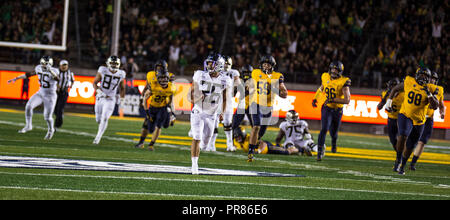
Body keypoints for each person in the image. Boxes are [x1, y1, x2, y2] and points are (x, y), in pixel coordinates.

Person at [385, 67, 439, 175]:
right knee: (403, 135)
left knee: (410, 146)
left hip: (419, 120)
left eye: (426, 76)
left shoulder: (431, 88)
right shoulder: (409, 81)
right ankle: (398, 159)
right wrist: (388, 102)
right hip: (405, 114)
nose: (423, 78)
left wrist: (429, 95)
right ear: (417, 75)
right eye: (421, 75)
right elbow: (395, 88)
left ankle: (403, 166)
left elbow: (435, 106)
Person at [189, 53, 232, 174]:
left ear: (219, 65)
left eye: (211, 63)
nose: (208, 65)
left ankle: (199, 149)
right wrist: (197, 98)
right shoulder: (199, 75)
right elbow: (190, 95)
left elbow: (224, 98)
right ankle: (194, 165)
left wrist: (222, 112)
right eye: (207, 63)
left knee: (205, 144)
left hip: (212, 114)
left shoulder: (225, 80)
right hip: (198, 111)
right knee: (196, 137)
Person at [247, 55, 288, 162]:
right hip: (256, 104)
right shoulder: (256, 72)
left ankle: (254, 143)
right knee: (256, 126)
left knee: (261, 132)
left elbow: (285, 94)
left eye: (268, 64)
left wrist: (274, 89)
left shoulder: (277, 76)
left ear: (272, 66)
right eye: (264, 64)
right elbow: (250, 83)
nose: (265, 66)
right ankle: (250, 151)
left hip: (268, 107)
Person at [8, 55, 60, 140]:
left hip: (50, 95)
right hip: (41, 92)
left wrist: (50, 71)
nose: (43, 65)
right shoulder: (38, 68)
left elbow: (58, 79)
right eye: (42, 63)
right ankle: (28, 126)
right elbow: (29, 74)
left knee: (47, 117)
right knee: (28, 106)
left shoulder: (55, 70)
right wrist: (17, 78)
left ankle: (51, 130)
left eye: (45, 63)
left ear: (50, 64)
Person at [312, 61, 351, 161]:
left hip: (338, 110)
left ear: (340, 71)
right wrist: (315, 98)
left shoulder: (344, 82)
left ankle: (334, 142)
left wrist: (332, 99)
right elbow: (321, 88)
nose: (334, 71)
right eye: (332, 69)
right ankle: (320, 152)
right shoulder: (325, 76)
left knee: (334, 132)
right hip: (327, 108)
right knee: (324, 128)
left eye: (336, 70)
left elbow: (347, 100)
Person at [135, 60, 176, 148]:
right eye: (157, 67)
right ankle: (141, 142)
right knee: (148, 127)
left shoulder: (170, 81)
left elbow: (171, 97)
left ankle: (151, 144)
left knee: (161, 125)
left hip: (163, 106)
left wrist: (171, 111)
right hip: (153, 105)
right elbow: (146, 88)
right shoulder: (151, 78)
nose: (158, 69)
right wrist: (142, 98)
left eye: (160, 68)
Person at [409, 72, 445, 170]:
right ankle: (403, 158)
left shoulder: (439, 90)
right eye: (431, 78)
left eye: (434, 78)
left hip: (428, 118)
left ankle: (412, 163)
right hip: (417, 117)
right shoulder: (420, 86)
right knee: (410, 139)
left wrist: (442, 112)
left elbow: (441, 104)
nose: (432, 80)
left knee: (422, 141)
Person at [208, 55, 240, 152]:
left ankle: (229, 145)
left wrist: (234, 89)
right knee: (214, 124)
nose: (226, 65)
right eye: (224, 63)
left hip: (228, 101)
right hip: (217, 100)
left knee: (227, 124)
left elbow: (238, 84)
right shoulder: (216, 72)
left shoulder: (233, 72)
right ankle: (211, 144)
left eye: (228, 63)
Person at [92, 55, 126, 144]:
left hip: (111, 99)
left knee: (105, 118)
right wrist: (100, 92)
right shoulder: (103, 70)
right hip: (100, 97)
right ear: (108, 63)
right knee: (98, 119)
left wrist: (122, 101)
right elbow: (95, 83)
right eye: (112, 63)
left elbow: (122, 88)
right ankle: (99, 131)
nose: (114, 65)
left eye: (115, 63)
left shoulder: (121, 73)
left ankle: (97, 137)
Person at [377, 78, 404, 150]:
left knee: (402, 138)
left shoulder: (404, 95)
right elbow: (379, 107)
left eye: (394, 86)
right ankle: (399, 154)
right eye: (391, 86)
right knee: (393, 140)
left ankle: (401, 155)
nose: (393, 88)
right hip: (391, 120)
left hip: (401, 119)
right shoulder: (385, 94)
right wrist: (385, 98)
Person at [233, 127, 299, 155]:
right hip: (265, 150)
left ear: (243, 134)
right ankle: (283, 146)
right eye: (236, 137)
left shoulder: (250, 138)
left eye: (239, 136)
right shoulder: (236, 141)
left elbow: (263, 143)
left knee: (287, 152)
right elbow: (234, 144)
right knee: (281, 147)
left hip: (268, 148)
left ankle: (300, 149)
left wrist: (259, 151)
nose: (238, 139)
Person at [232, 64, 254, 132]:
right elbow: (233, 94)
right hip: (241, 105)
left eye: (248, 73)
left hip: (252, 106)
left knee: (255, 127)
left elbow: (247, 92)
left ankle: (256, 141)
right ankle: (232, 140)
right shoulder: (240, 81)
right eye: (245, 73)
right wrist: (234, 88)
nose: (246, 75)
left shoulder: (253, 81)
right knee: (234, 126)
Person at [54, 60, 74, 129]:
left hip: (64, 92)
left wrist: (70, 85)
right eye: (63, 65)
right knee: (55, 109)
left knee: (60, 109)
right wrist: (56, 85)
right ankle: (59, 117)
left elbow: (72, 80)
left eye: (65, 65)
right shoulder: (56, 71)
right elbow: (52, 80)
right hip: (56, 92)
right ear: (60, 66)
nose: (64, 66)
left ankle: (57, 125)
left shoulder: (70, 73)